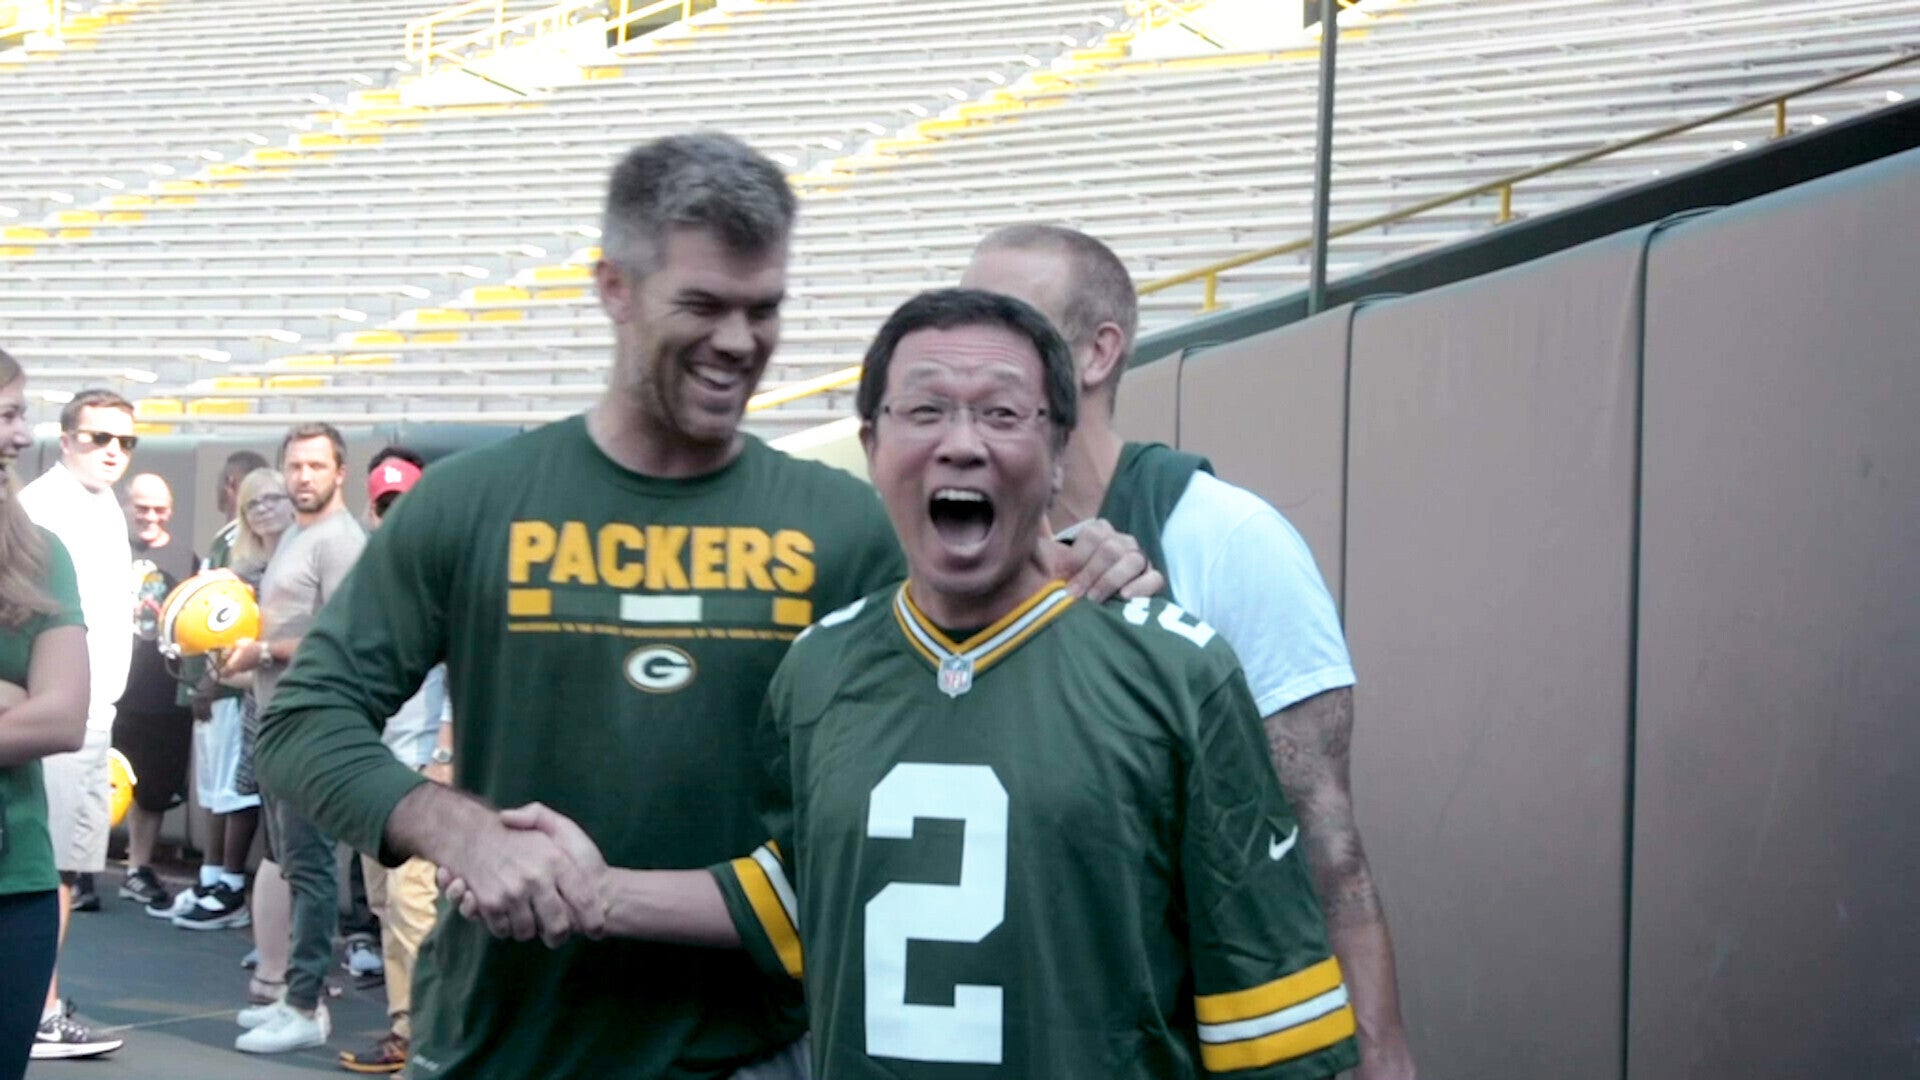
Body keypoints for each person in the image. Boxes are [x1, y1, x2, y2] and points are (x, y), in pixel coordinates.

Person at [256, 132, 1153, 1080]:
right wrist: (461, 833)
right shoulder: (473, 503)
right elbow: (304, 724)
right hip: (499, 1044)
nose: (739, 341)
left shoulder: (846, 527)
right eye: (703, 305)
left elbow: (997, 659)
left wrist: (1094, 564)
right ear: (613, 288)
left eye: (763, 310)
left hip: (751, 1051)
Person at [465, 289, 1361, 1078]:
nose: (961, 445)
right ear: (872, 443)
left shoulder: (1179, 670)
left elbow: (1268, 1009)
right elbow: (821, 887)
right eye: (924, 411)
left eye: (1004, 415)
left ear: (1057, 451)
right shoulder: (818, 671)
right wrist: (592, 890)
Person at [961, 224, 1418, 1079]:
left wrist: (1379, 1048)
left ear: (1096, 354)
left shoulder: (1225, 538)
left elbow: (1327, 839)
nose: (973, 347)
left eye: (1009, 323)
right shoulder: (945, 552)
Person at [221, 424, 367, 1054]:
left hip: (314, 722)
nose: (303, 476)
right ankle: (291, 996)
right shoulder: (298, 536)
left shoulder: (340, 541)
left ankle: (306, 1003)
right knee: (289, 861)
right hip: (276, 718)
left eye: (315, 465)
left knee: (309, 869)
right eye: (294, 465)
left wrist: (264, 650)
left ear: (340, 471)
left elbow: (344, 637)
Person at [17, 387, 133, 1062]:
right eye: (98, 437)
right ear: (66, 440)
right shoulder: (41, 510)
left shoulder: (100, 505)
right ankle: (39, 1008)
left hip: (95, 716)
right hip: (56, 714)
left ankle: (40, 1003)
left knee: (63, 873)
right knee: (42, 873)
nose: (112, 451)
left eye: (124, 441)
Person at [338, 446, 451, 1076]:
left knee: (413, 908)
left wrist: (444, 755)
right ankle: (410, 1029)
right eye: (385, 505)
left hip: (416, 769)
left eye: (404, 502)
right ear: (373, 511)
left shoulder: (438, 573)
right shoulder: (369, 577)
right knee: (385, 905)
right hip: (370, 769)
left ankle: (422, 1036)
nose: (395, 515)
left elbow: (461, 671)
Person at [0, 351, 98, 1078]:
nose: (20, 434)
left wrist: (32, 705)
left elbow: (62, 718)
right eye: (7, 413)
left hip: (13, 887)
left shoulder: (38, 554)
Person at [169, 466, 292, 934]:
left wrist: (264, 653)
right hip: (252, 702)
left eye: (271, 499)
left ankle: (242, 898)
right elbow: (223, 650)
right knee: (261, 812)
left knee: (289, 832)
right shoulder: (237, 568)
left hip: (297, 704)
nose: (264, 510)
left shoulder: (309, 556)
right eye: (253, 503)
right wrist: (218, 676)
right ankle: (270, 941)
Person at [114, 473, 199, 909]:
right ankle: (83, 872)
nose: (149, 516)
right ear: (126, 505)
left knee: (153, 789)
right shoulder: (104, 548)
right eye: (141, 507)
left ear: (171, 510)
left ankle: (138, 869)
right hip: (110, 689)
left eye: (158, 508)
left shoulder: (187, 559)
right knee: (100, 786)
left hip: (164, 693)